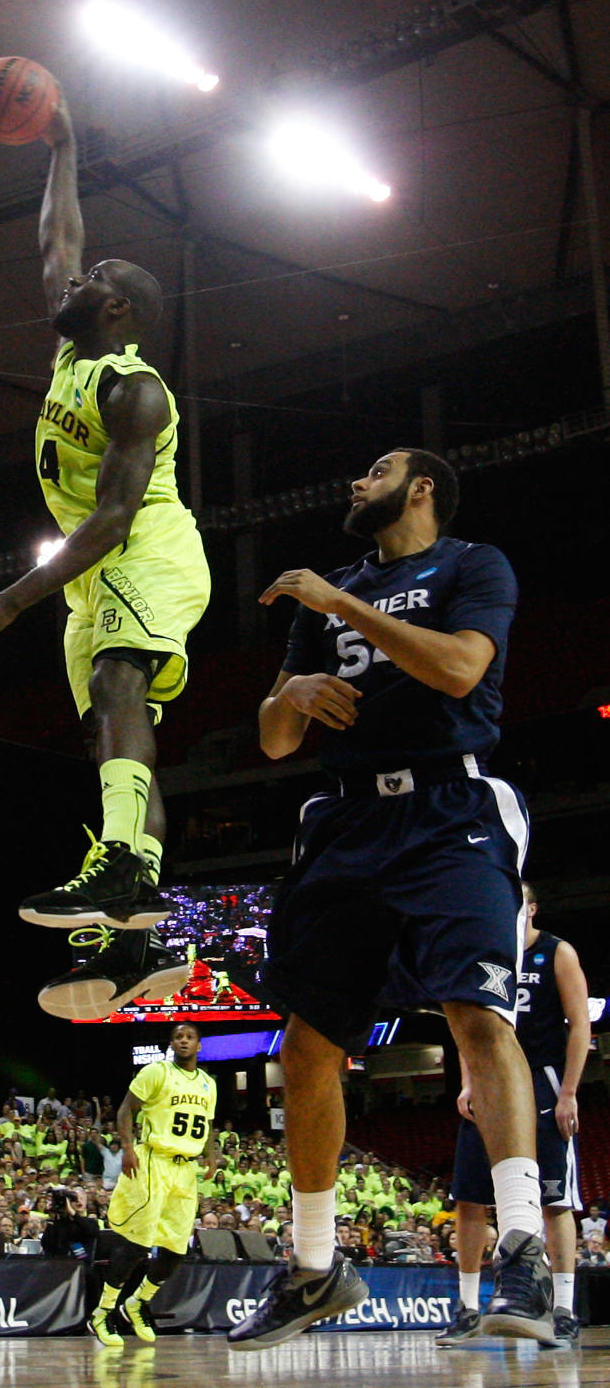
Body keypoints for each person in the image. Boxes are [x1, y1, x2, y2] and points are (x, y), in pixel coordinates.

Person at [228, 449, 553, 1349]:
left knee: (476, 1014)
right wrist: (287, 690)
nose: (351, 480)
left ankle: (522, 1249)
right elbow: (273, 740)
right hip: (346, 820)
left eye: (371, 470)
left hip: (452, 810)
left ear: (421, 489)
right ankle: (313, 1266)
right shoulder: (329, 588)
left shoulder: (472, 564)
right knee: (305, 1045)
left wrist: (344, 610)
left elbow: (458, 670)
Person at [0, 89, 210, 1018]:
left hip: (147, 549)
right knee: (110, 734)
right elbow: (58, 236)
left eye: (89, 283)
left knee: (119, 688)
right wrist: (61, 146)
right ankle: (135, 941)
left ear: (118, 309)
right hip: (94, 574)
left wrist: (9, 600)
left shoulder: (137, 392)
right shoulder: (71, 359)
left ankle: (123, 876)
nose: (69, 282)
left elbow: (116, 517)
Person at [438, 881, 590, 1347]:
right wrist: (468, 1080)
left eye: (517, 902)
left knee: (554, 1201)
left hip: (542, 1082)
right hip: (489, 1084)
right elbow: (467, 1024)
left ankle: (562, 1310)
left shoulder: (556, 952)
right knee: (469, 1199)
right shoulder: (486, 952)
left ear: (532, 908)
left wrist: (568, 1091)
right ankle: (466, 1309)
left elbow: (580, 1023)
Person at [87, 1023, 216, 1348]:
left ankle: (138, 1302)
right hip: (153, 1161)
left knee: (176, 1249)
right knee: (136, 1244)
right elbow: (125, 1110)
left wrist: (211, 1157)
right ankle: (102, 1312)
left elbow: (209, 1125)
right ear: (171, 1044)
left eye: (189, 1037)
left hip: (185, 1169)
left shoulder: (207, 1084)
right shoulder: (157, 1071)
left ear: (199, 1045)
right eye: (177, 1037)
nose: (183, 1041)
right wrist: (129, 1148)